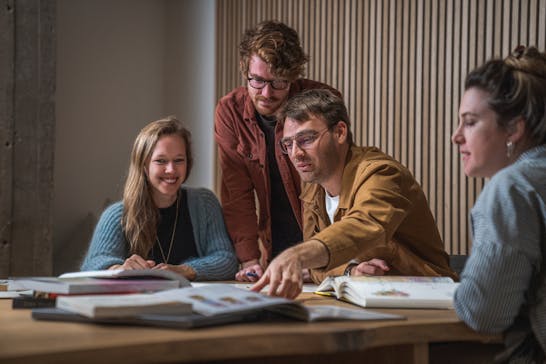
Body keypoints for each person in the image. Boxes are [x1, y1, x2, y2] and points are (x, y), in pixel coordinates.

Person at [252, 89, 456, 299]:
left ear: (340, 132)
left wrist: (297, 255)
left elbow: (365, 226)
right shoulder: (314, 184)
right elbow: (316, 268)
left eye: (306, 139)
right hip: (369, 298)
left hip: (432, 299)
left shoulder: (381, 172)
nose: (295, 153)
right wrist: (350, 272)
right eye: (288, 144)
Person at [214, 20, 340, 281]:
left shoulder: (323, 101)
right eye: (257, 81)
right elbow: (236, 192)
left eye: (278, 82)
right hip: (274, 244)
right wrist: (249, 259)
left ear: (294, 77)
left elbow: (336, 187)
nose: (266, 93)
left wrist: (321, 258)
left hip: (323, 245)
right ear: (245, 71)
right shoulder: (230, 111)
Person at [452, 46, 546, 362]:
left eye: (470, 122)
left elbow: (483, 314)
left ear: (514, 129)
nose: (456, 137)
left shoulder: (511, 188)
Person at [81, 117, 238, 281]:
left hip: (193, 303)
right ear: (144, 165)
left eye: (179, 160)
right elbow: (92, 265)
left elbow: (226, 259)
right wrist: (118, 269)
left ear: (188, 163)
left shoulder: (205, 203)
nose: (171, 170)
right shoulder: (116, 215)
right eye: (161, 161)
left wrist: (185, 270)